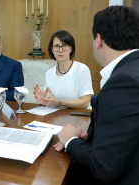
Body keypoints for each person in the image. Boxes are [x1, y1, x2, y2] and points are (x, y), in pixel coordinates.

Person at [54, 6, 139, 185]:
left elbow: (102, 166)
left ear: (98, 40)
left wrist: (70, 140)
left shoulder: (123, 81)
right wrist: (91, 137)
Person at [33, 30, 94, 109]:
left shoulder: (82, 69)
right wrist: (44, 99)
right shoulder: (49, 73)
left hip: (78, 117)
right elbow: (51, 101)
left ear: (71, 48)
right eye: (56, 46)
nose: (60, 50)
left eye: (64, 45)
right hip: (56, 116)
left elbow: (85, 102)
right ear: (52, 49)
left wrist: (59, 102)